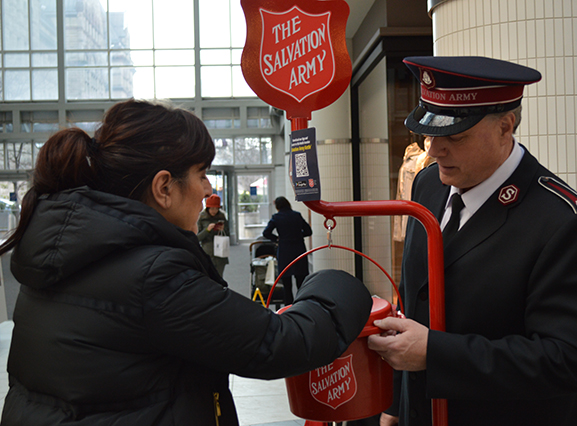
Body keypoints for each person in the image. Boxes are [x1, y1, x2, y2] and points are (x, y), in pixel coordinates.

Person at [0, 99, 373, 426]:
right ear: (164, 188)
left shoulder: (58, 252)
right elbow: (281, 344)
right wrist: (336, 282)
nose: (208, 189)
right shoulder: (153, 275)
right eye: (201, 173)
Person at [368, 56, 577, 426]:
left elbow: (569, 359)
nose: (434, 150)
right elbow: (416, 300)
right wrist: (397, 403)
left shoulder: (561, 221)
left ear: (505, 127)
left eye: (456, 136)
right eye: (430, 134)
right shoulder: (428, 185)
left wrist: (435, 354)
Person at [262, 196, 312, 305]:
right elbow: (308, 231)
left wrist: (277, 239)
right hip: (299, 250)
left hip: (285, 251)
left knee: (287, 283)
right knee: (301, 282)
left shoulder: (276, 217)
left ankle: (289, 307)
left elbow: (266, 233)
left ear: (277, 207)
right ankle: (302, 304)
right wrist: (298, 236)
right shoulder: (297, 215)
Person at [197, 194, 229, 276]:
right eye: (211, 208)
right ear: (208, 208)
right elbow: (197, 238)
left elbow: (227, 234)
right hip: (208, 252)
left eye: (216, 208)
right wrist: (207, 230)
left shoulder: (221, 216)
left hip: (220, 252)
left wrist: (223, 229)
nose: (214, 211)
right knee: (208, 277)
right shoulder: (201, 217)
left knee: (219, 277)